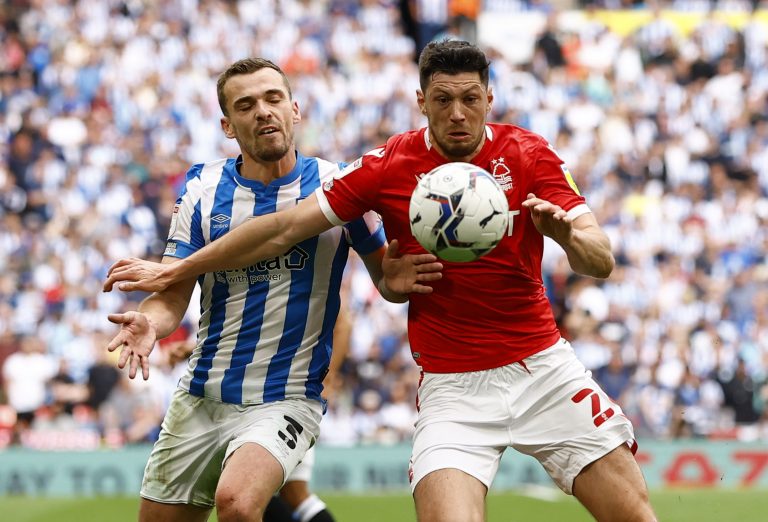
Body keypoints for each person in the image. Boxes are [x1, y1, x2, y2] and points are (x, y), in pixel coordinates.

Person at [104, 41, 657, 521]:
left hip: (543, 369)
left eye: (470, 99)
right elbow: (284, 228)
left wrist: (567, 236)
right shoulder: (387, 165)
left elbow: (600, 260)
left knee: (633, 515)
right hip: (452, 388)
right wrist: (176, 271)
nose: (458, 113)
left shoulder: (529, 154)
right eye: (443, 100)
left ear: (489, 99)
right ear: (422, 101)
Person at [103, 57, 442, 522]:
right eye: (246, 105)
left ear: (294, 110)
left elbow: (385, 277)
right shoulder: (202, 189)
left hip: (287, 396)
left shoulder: (339, 185)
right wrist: (151, 322)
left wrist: (393, 282)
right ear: (227, 125)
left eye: (273, 98)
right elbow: (172, 291)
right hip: (202, 394)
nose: (263, 111)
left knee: (238, 503)